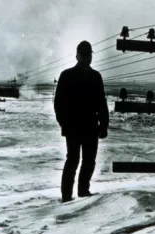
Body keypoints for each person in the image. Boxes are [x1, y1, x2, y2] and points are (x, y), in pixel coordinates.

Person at [54, 40, 109, 203]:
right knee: (73, 160)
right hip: (73, 127)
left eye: (89, 55)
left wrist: (103, 125)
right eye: (84, 55)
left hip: (91, 126)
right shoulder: (67, 75)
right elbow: (59, 103)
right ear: (77, 56)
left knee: (89, 160)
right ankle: (66, 196)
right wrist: (63, 123)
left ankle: (83, 191)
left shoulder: (96, 77)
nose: (87, 58)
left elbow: (101, 102)